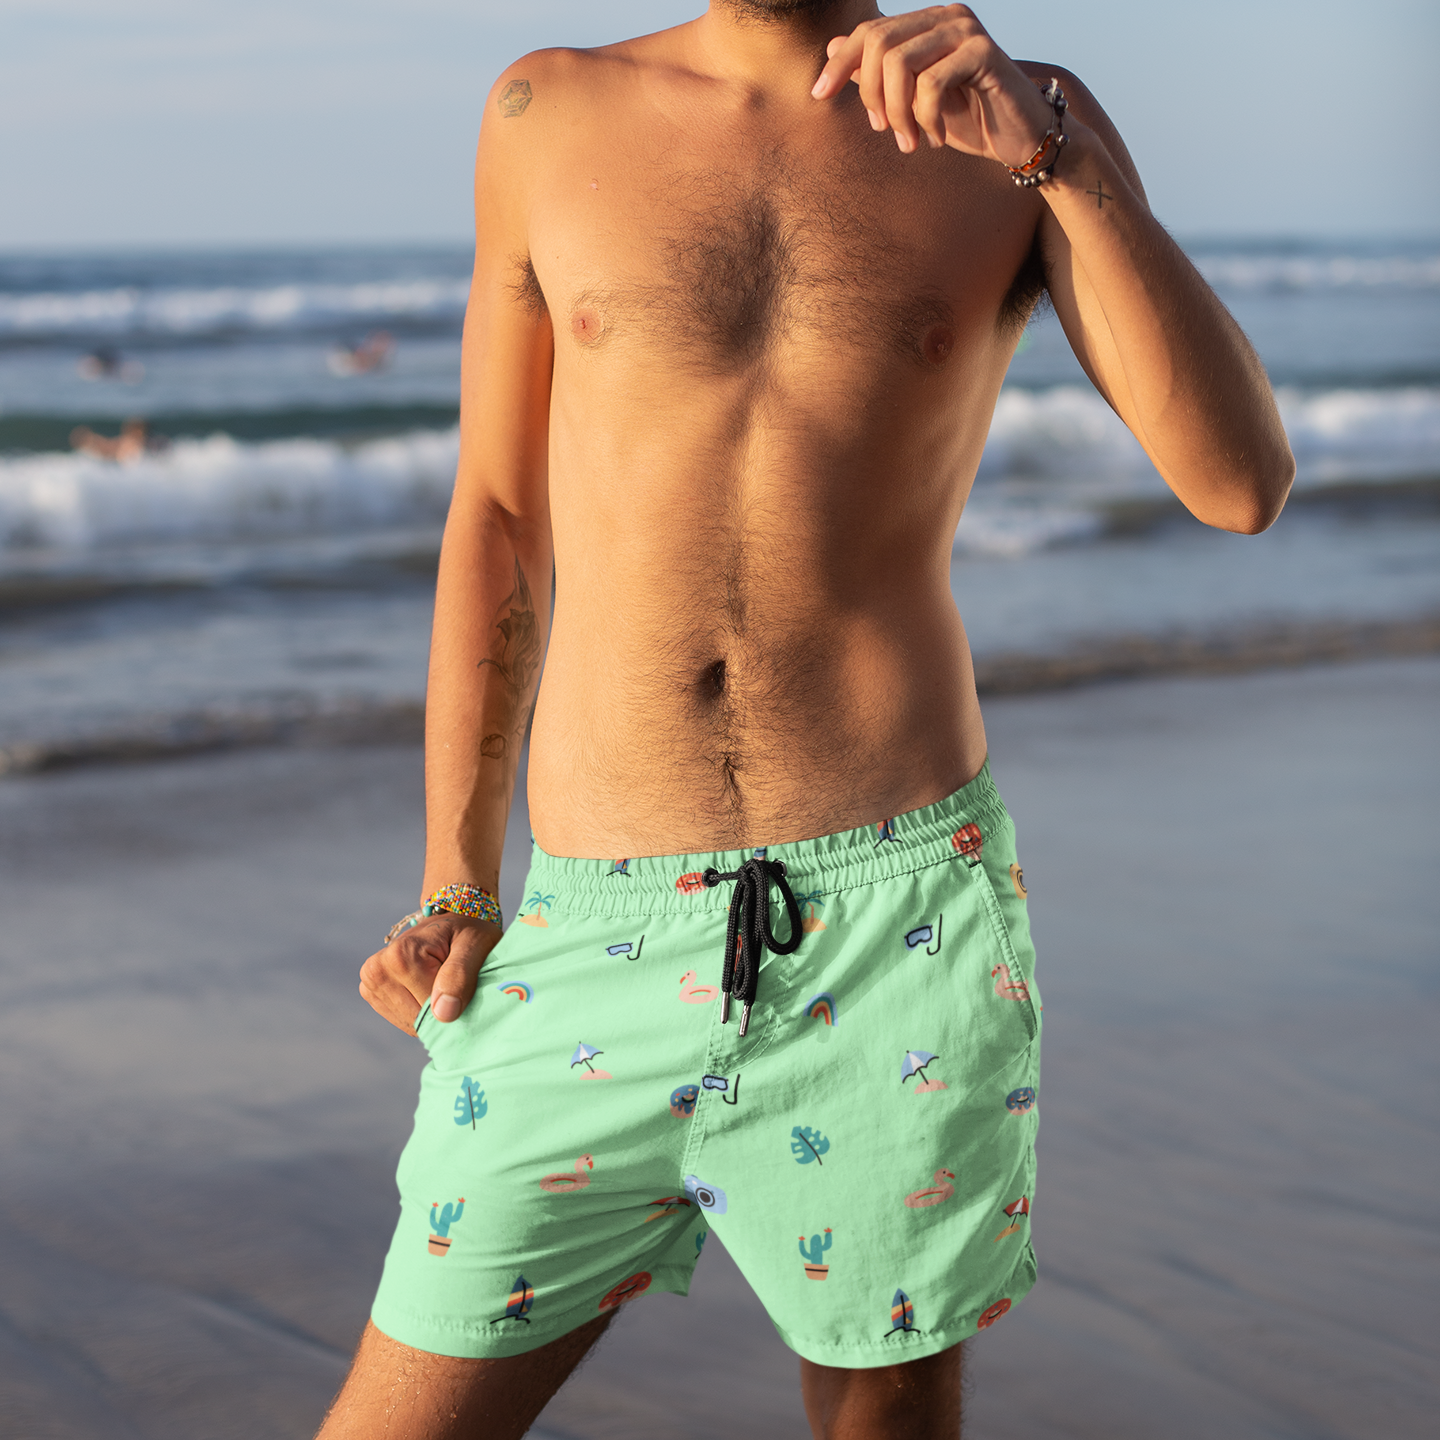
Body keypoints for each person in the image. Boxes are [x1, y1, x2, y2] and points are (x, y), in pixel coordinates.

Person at [321, 5, 1293, 1437]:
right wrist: (458, 878)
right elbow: (503, 513)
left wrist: (1061, 161)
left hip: (896, 925)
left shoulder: (1019, 124)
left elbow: (1239, 482)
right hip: (591, 934)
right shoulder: (544, 112)